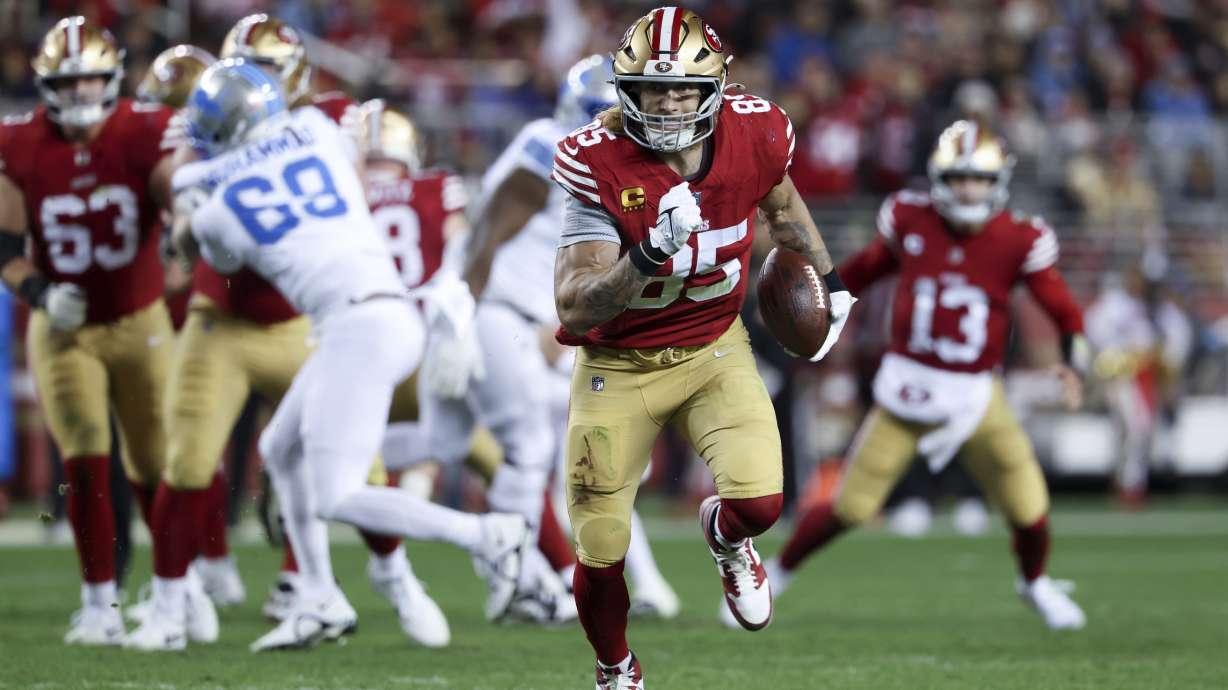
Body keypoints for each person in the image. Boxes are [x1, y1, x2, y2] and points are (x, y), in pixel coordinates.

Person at [171, 59, 533, 652]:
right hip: (380, 313)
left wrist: (188, 197)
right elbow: (344, 154)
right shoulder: (315, 131)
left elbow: (209, 255)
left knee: (338, 493)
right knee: (279, 448)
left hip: (356, 326)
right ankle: (318, 598)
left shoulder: (218, 206)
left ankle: (486, 534)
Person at [550, 8, 852, 687]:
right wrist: (648, 252)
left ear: (713, 89)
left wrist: (831, 282)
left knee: (762, 504)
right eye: (653, 91)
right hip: (617, 367)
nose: (668, 104)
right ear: (627, 91)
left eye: (683, 90)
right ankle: (616, 668)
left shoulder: (756, 132)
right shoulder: (595, 160)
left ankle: (726, 537)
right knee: (601, 549)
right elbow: (574, 304)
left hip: (714, 349)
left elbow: (783, 207)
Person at [766, 120, 1089, 632]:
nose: (968, 189)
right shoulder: (911, 218)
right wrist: (823, 301)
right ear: (940, 178)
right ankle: (773, 575)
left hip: (976, 392)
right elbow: (864, 270)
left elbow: (1063, 309)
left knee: (1029, 506)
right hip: (908, 387)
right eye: (959, 177)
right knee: (851, 507)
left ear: (998, 182)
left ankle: (1035, 583)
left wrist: (1073, 361)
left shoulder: (1019, 237)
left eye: (979, 179)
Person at [0, 16, 188, 646]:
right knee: (83, 459)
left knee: (156, 462)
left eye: (89, 80)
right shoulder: (19, 142)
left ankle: (177, 589)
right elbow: (5, 248)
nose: (79, 92)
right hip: (64, 327)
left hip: (139, 318)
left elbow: (178, 204)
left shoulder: (145, 129)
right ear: (47, 86)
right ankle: (99, 603)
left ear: (111, 80)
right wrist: (40, 293)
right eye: (67, 82)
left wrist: (184, 230)